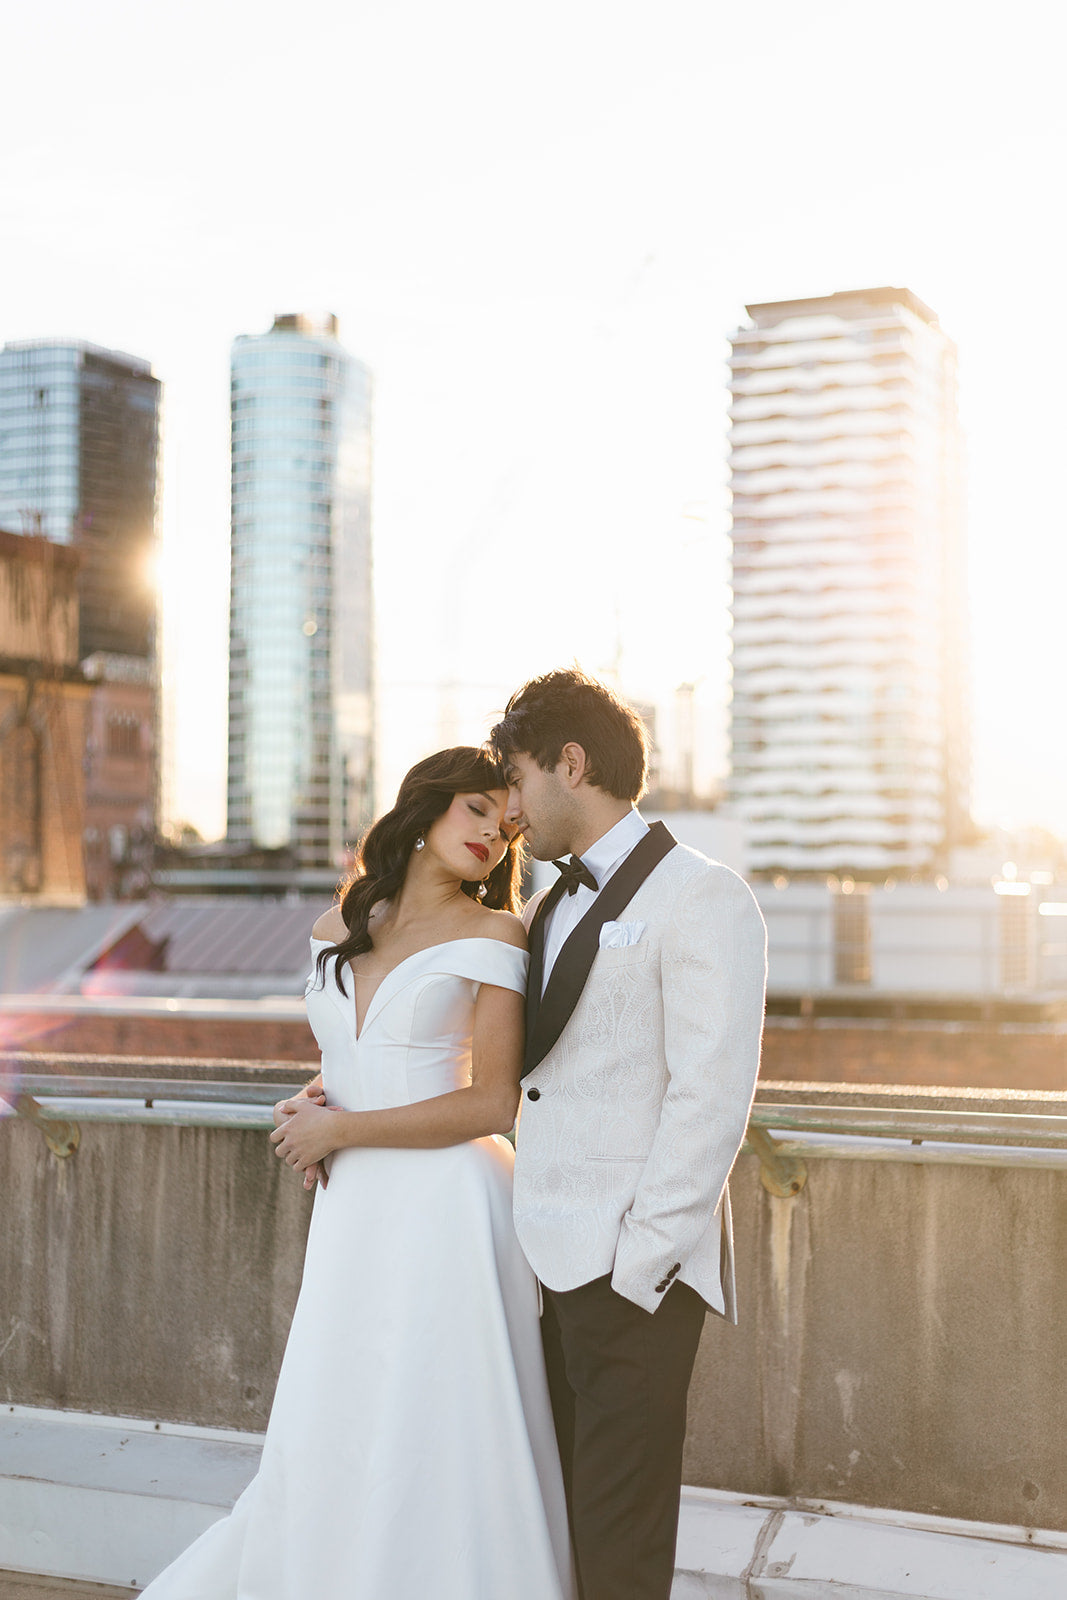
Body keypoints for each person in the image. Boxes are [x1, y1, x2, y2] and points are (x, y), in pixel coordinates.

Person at [137, 747, 574, 1600]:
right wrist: (323, 1099)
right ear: (426, 808)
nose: (493, 832)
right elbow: (355, 1052)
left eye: (506, 822)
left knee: (439, 1416)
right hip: (355, 1208)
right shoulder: (339, 925)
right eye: (476, 810)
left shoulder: (495, 933)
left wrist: (341, 1127)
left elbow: (492, 1104)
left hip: (449, 1199)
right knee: (339, 1406)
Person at [489, 668, 767, 1600]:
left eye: (519, 777)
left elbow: (711, 1095)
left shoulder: (702, 896)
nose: (513, 808)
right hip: (540, 1262)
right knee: (557, 1526)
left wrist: (638, 1262)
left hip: (629, 1272)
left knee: (619, 1545)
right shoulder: (541, 907)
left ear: (572, 764)